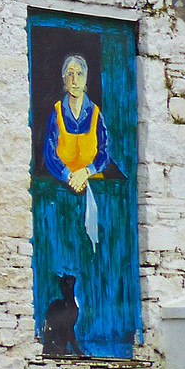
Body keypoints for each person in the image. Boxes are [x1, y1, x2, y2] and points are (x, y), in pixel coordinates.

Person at [42, 53, 110, 247]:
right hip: (64, 187)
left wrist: (86, 172)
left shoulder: (96, 113)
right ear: (64, 79)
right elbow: (50, 153)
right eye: (70, 74)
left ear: (86, 78)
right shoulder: (56, 113)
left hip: (95, 188)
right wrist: (69, 176)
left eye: (79, 74)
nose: (75, 80)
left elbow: (105, 154)